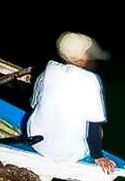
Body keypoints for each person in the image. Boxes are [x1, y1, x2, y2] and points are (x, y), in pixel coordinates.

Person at [26, 32, 117, 174]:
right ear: (82, 59)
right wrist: (98, 157)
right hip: (69, 154)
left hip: (36, 142)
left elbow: (34, 104)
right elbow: (94, 126)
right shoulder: (91, 80)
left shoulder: (49, 69)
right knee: (100, 130)